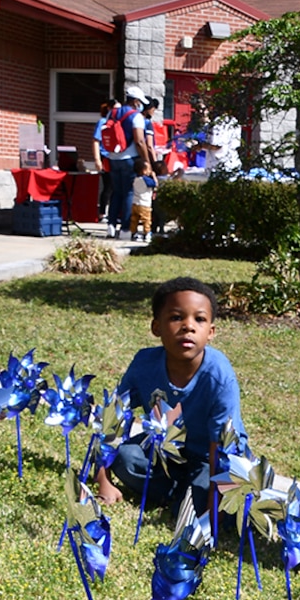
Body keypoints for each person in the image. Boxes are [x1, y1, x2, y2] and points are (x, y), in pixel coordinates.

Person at [96, 276, 248, 516]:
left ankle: (187, 496)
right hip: (165, 451)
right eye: (176, 317)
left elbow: (222, 444)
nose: (189, 326)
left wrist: (211, 510)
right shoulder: (144, 364)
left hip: (210, 460)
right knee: (125, 458)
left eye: (199, 319)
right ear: (156, 327)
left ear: (211, 332)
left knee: (202, 507)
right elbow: (113, 417)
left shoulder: (219, 375)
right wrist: (102, 480)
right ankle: (178, 494)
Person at [100, 87, 150, 239]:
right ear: (135, 101)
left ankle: (111, 225)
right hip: (130, 159)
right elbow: (140, 141)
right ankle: (126, 229)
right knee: (129, 192)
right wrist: (147, 161)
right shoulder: (136, 116)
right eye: (140, 102)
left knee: (116, 192)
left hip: (113, 157)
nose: (140, 105)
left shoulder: (112, 113)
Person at [128, 157, 156, 243]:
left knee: (134, 219)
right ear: (144, 171)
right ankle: (147, 233)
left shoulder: (135, 179)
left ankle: (133, 233)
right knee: (146, 220)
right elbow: (155, 184)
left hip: (135, 203)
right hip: (145, 204)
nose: (150, 171)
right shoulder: (147, 180)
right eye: (149, 169)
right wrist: (154, 176)